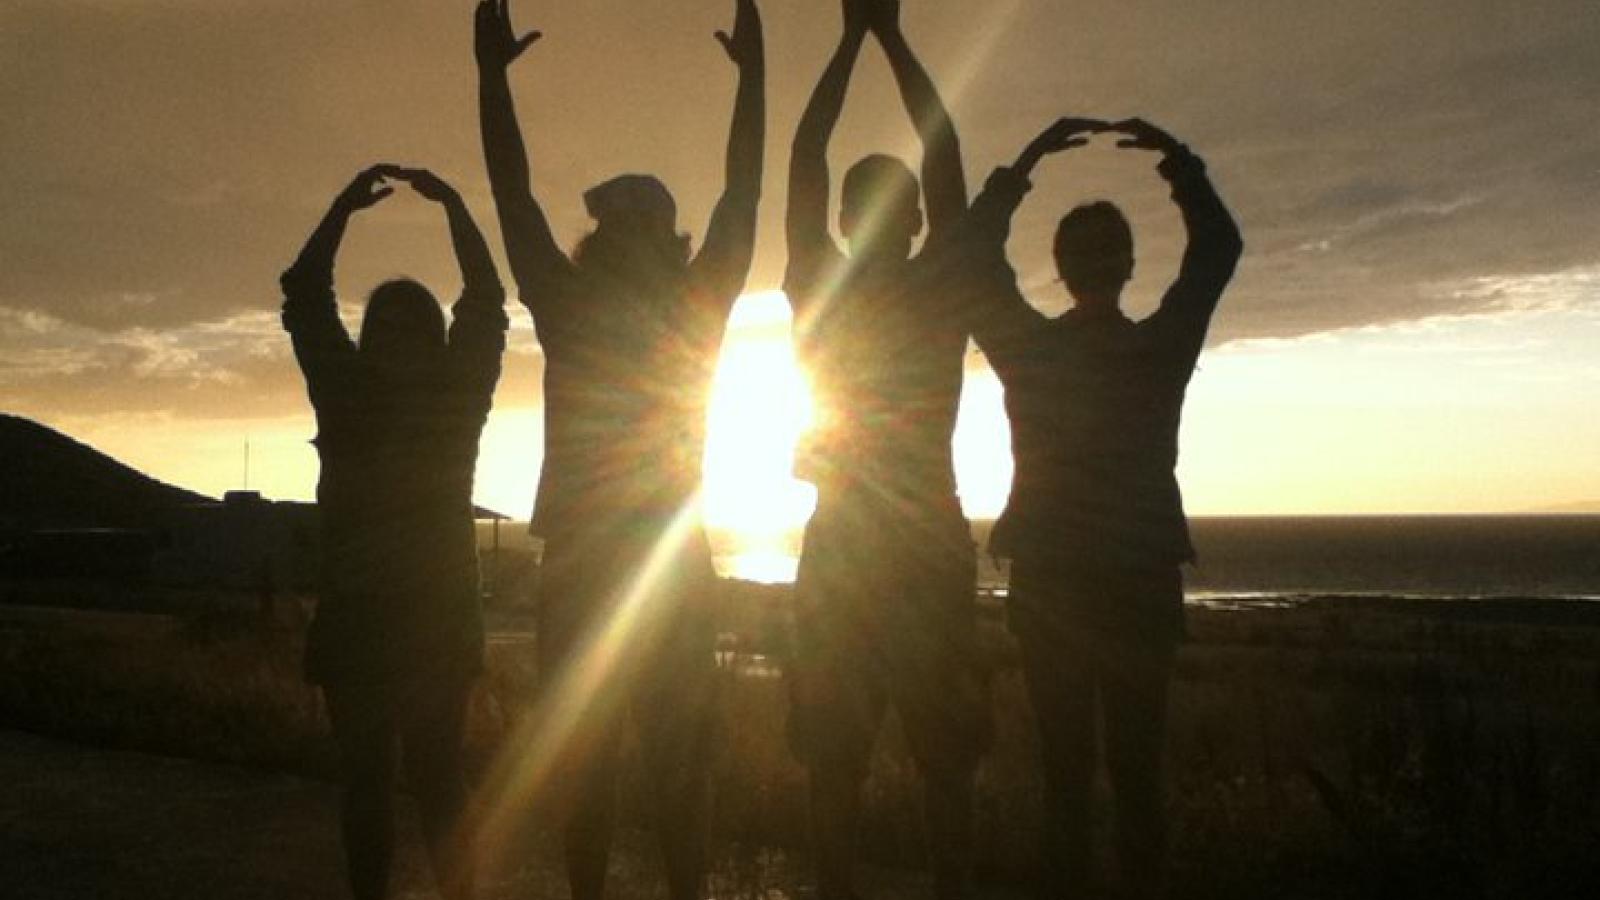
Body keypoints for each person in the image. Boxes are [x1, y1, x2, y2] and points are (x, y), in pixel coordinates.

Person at [473, 2, 764, 899]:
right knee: (637, 767)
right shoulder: (688, 304)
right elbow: (738, 199)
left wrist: (492, 82)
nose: (611, 239)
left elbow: (518, 202)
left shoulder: (590, 307)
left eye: (618, 229)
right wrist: (754, 82)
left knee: (642, 765)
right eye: (612, 230)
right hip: (653, 565)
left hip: (626, 567)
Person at [961, 117, 1244, 899]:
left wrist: (1020, 164)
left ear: (1061, 269)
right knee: (1134, 777)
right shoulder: (1157, 350)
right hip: (1132, 586)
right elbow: (1219, 249)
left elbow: (971, 264)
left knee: (1069, 782)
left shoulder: (1030, 353)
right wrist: (1180, 166)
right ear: (1125, 268)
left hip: (1056, 584)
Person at [783, 2, 986, 898]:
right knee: (869, 764)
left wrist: (863, 40)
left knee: (887, 764)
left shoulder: (844, 283)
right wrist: (874, 37)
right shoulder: (921, 286)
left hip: (878, 544)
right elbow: (934, 163)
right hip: (906, 540)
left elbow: (925, 162)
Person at [281, 164, 509, 900]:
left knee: (410, 783)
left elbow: (307, 293)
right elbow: (484, 304)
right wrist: (445, 209)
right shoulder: (441, 400)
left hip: (407, 620)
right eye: (394, 326)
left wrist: (351, 210)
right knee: (398, 785)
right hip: (394, 620)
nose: (403, 341)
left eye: (409, 327)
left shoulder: (383, 398)